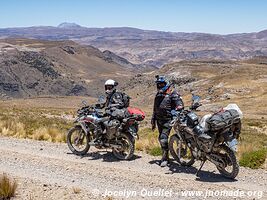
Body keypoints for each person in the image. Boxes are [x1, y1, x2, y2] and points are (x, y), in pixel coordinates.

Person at [151, 75, 184, 167]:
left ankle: (165, 158)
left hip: (168, 120)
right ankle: (166, 155)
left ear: (166, 84)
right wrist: (153, 121)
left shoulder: (173, 94)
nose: (160, 86)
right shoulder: (158, 95)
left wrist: (178, 108)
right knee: (161, 138)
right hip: (159, 121)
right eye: (158, 84)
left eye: (162, 84)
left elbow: (180, 105)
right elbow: (155, 108)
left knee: (163, 138)